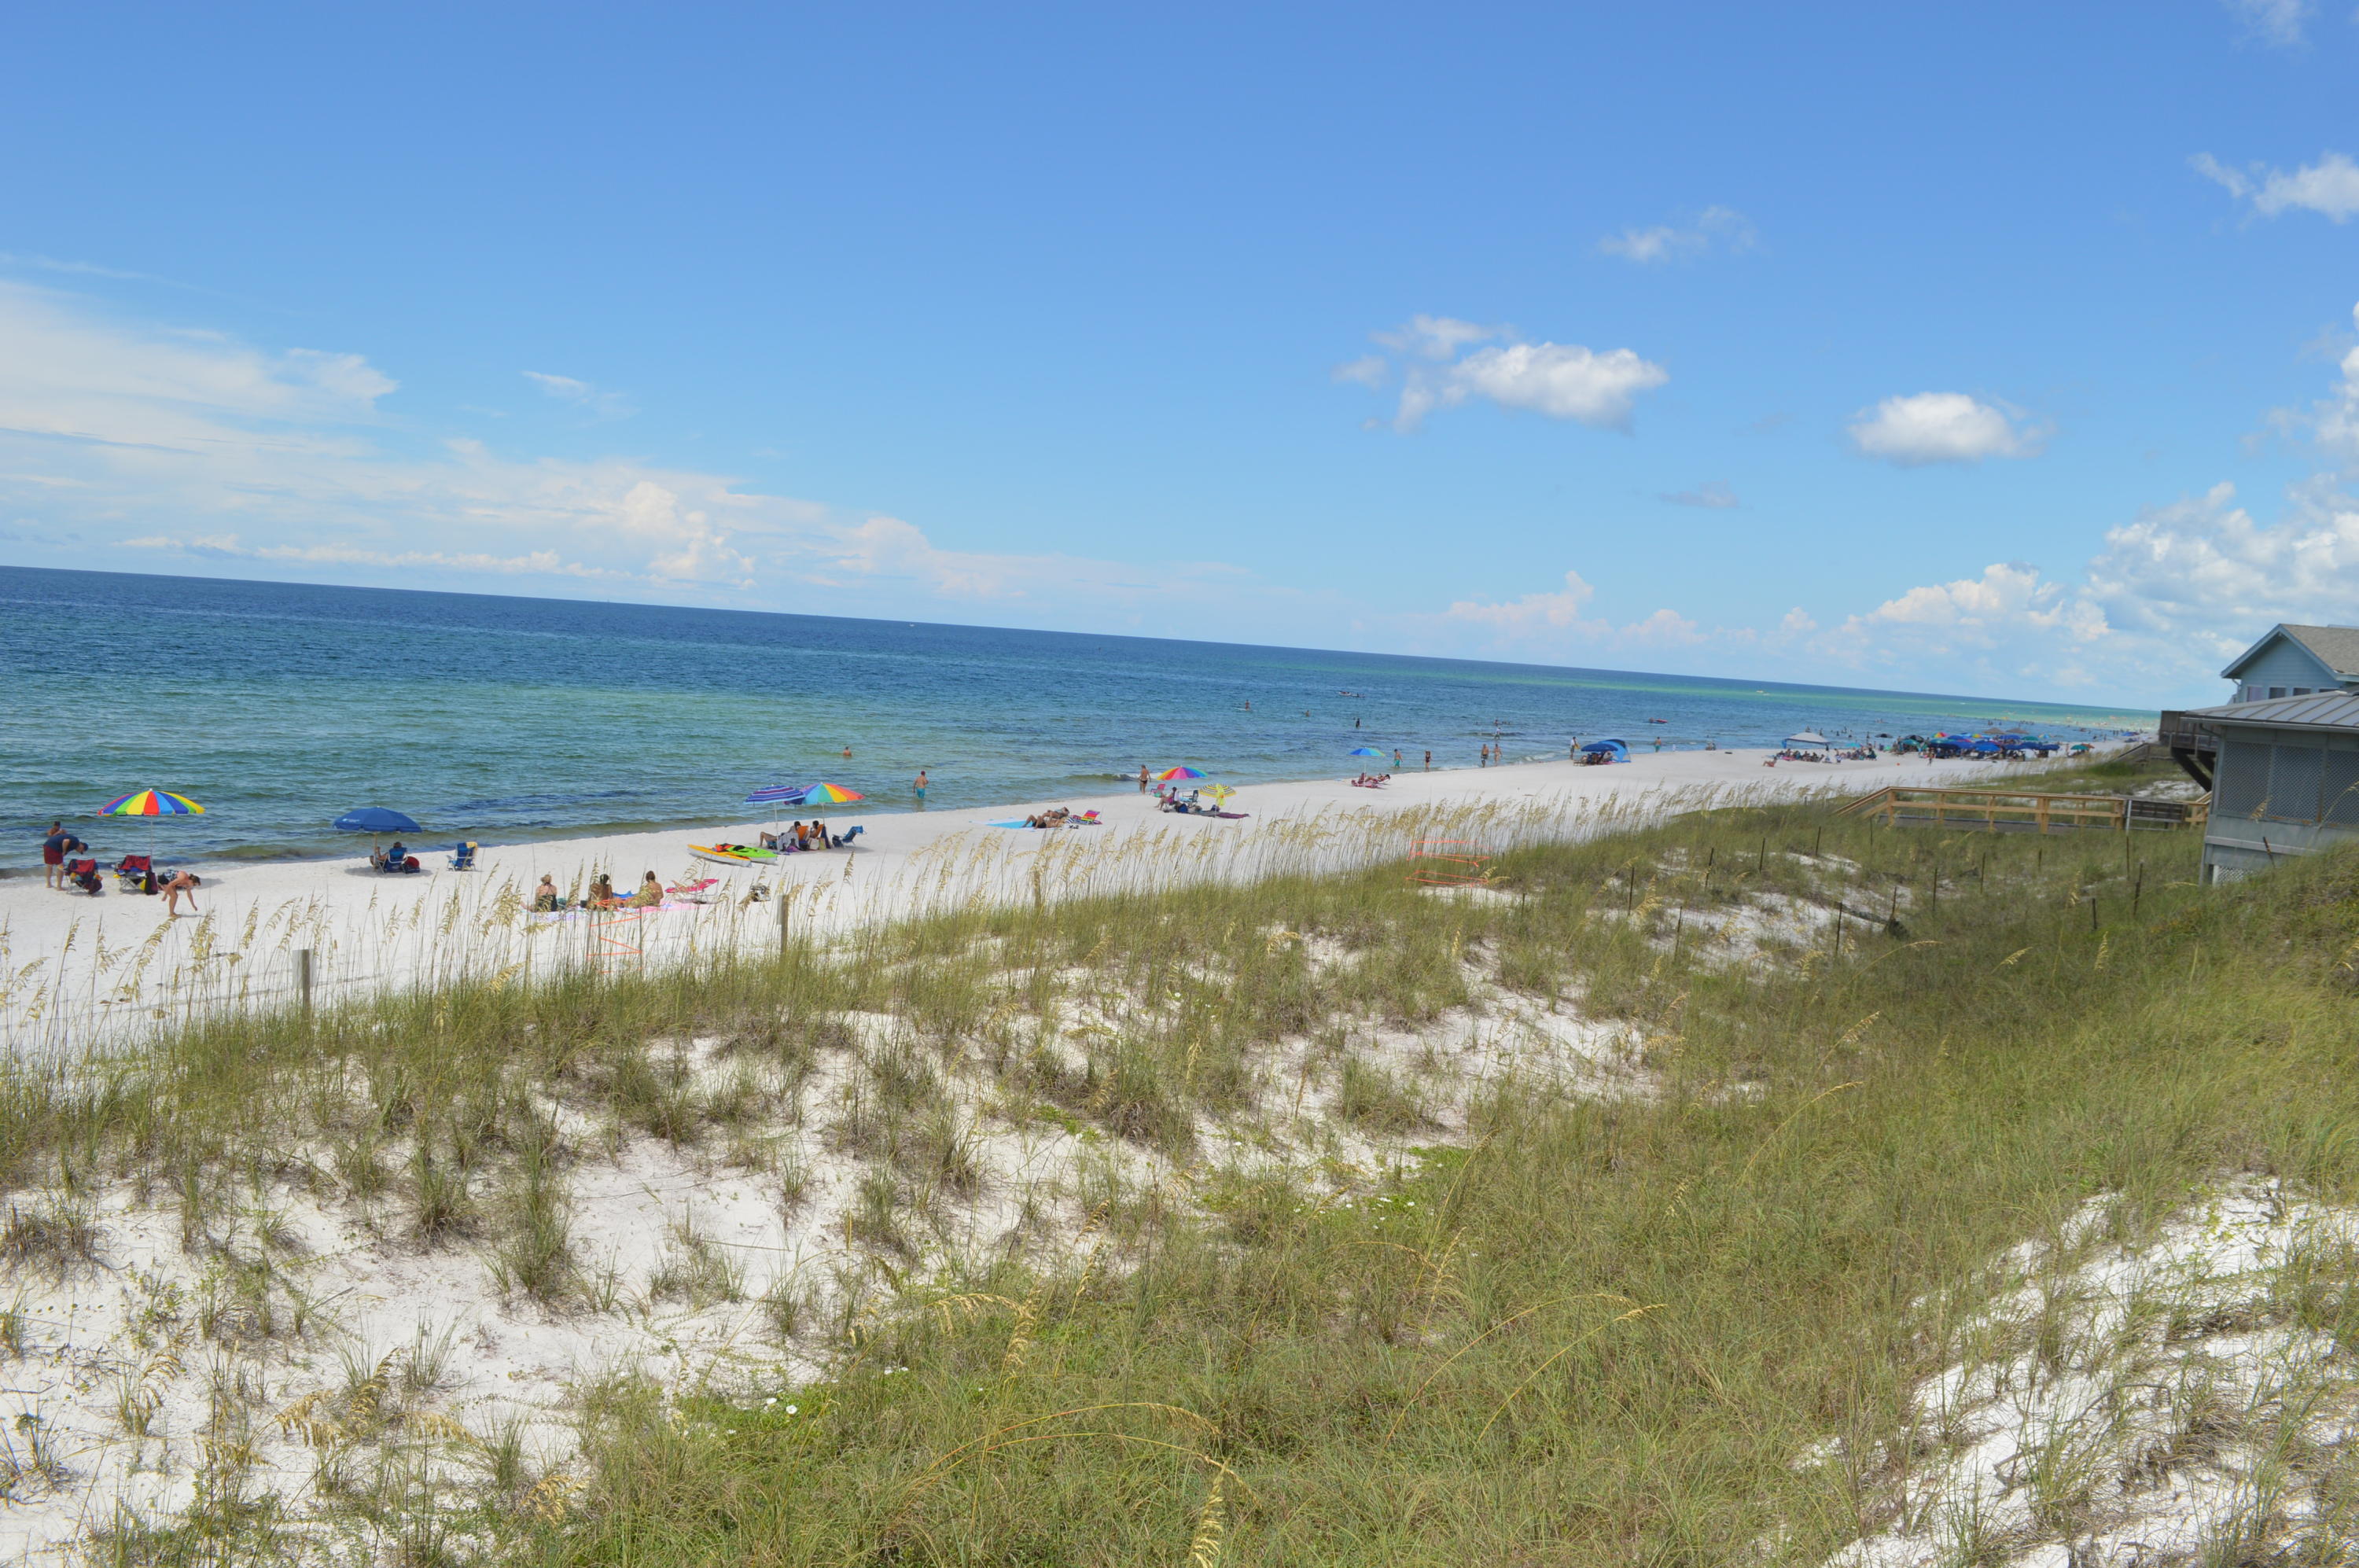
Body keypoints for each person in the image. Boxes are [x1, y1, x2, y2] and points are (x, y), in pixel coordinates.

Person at [42, 821, 67, 890]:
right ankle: (48, 883)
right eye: (55, 825)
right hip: (50, 848)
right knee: (49, 866)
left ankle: (58, 885)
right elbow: (51, 837)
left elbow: (66, 837)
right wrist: (58, 833)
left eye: (58, 825)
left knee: (59, 866)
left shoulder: (63, 830)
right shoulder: (51, 831)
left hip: (58, 849)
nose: (56, 827)